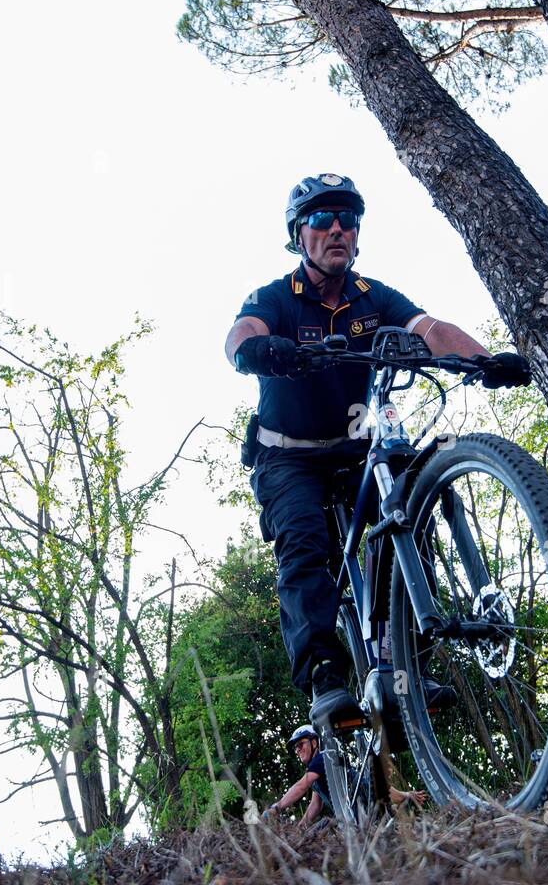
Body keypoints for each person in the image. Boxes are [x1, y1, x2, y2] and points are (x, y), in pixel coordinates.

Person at [224, 173, 531, 729]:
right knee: (304, 543)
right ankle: (325, 678)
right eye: (321, 219)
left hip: (357, 446)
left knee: (407, 511)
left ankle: (403, 659)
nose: (336, 228)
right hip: (288, 455)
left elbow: (431, 328)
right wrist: (261, 349)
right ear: (300, 235)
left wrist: (485, 361)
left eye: (347, 218)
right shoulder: (275, 297)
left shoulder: (375, 297)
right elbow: (240, 335)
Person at [264, 724, 429, 826]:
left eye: (301, 744)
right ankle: (401, 808)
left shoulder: (322, 758)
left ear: (314, 742)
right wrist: (301, 828)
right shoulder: (316, 771)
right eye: (296, 748)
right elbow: (315, 805)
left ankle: (406, 798)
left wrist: (277, 808)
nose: (298, 750)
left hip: (365, 797)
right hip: (356, 814)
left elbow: (301, 786)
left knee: (378, 789)